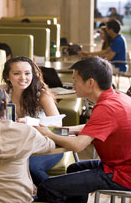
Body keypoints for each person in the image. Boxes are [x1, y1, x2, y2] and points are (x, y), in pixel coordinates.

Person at [34, 57, 131, 203]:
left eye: (75, 80)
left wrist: (48, 133)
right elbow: (93, 127)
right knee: (73, 168)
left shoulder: (106, 108)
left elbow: (77, 145)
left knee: (48, 187)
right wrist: (63, 130)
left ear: (90, 82)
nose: (73, 85)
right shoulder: (117, 97)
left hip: (122, 174)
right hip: (120, 164)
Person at [2, 56, 63, 186]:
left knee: (30, 166)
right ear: (8, 77)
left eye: (27, 73)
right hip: (17, 146)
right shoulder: (2, 93)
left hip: (46, 145)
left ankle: (57, 194)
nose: (23, 78)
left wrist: (31, 122)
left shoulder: (41, 94)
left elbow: (58, 126)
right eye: (16, 73)